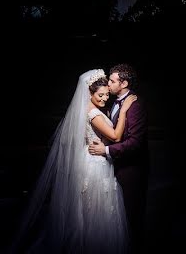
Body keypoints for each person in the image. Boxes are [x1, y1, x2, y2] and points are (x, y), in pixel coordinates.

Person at [12, 69, 137, 253]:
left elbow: (103, 137)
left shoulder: (91, 109)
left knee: (93, 211)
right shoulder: (93, 113)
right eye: (100, 95)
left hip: (95, 158)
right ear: (89, 93)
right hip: (95, 165)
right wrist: (125, 110)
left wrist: (104, 140)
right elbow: (116, 137)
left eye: (106, 95)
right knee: (95, 210)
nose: (104, 99)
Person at [88, 63, 149, 253]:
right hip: (111, 168)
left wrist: (106, 150)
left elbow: (135, 143)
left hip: (130, 172)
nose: (109, 84)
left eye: (113, 81)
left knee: (130, 221)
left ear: (124, 83)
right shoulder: (112, 102)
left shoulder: (135, 106)